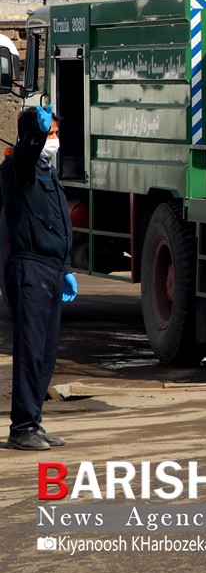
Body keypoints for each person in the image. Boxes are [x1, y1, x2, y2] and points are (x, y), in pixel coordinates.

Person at [2, 105, 77, 451]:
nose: (55, 141)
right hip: (28, 268)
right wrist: (34, 133)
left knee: (46, 352)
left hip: (50, 270)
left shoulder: (49, 175)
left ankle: (34, 421)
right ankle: (21, 428)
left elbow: (58, 225)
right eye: (51, 134)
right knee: (30, 350)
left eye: (56, 134)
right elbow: (27, 152)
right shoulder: (22, 170)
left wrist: (66, 270)